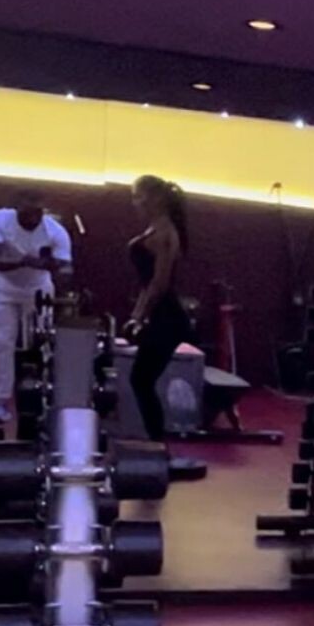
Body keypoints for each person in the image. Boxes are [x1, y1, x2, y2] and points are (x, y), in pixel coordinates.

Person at [0, 187, 72, 424]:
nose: (34, 217)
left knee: (44, 344)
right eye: (28, 211)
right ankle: (0, 402)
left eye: (38, 212)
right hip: (2, 288)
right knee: (1, 342)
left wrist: (58, 267)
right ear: (16, 208)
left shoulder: (56, 231)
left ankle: (45, 400)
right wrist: (26, 260)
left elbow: (66, 269)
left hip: (39, 290)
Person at [126, 175, 193, 445]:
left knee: (141, 380)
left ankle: (157, 445)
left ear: (155, 199)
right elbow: (147, 285)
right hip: (159, 314)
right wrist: (136, 316)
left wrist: (141, 316)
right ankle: (156, 443)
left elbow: (159, 283)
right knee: (141, 380)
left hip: (167, 318)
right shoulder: (154, 230)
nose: (135, 203)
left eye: (138, 196)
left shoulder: (165, 233)